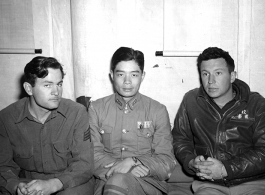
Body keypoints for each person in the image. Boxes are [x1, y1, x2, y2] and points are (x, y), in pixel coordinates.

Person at [172, 47, 265, 195]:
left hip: (252, 183)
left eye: (218, 73)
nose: (211, 81)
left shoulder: (256, 104)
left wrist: (225, 169)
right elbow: (180, 139)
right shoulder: (191, 101)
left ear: (232, 76)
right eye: (205, 74)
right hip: (209, 184)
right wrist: (191, 161)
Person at [0, 57, 94, 195]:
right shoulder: (6, 118)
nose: (56, 92)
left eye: (59, 84)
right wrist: (17, 187)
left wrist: (53, 184)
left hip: (70, 182)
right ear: (28, 88)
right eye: (47, 85)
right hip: (28, 183)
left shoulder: (77, 113)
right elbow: (3, 167)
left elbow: (84, 165)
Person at [89, 47, 176, 195]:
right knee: (116, 183)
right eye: (121, 74)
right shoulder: (96, 109)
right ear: (112, 76)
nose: (127, 81)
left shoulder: (157, 110)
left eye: (134, 75)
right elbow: (92, 154)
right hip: (106, 180)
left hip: (146, 181)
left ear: (142, 76)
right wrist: (122, 167)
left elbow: (167, 161)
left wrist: (134, 161)